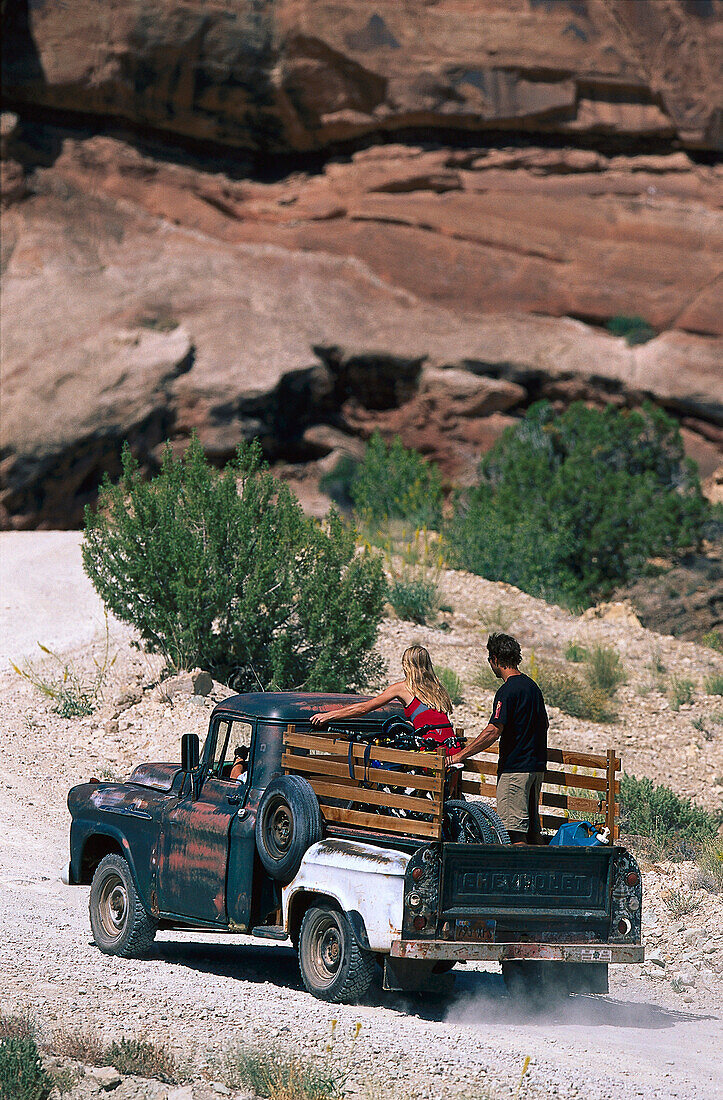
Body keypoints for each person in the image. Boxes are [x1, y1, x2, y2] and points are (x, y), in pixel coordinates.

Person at [449, 632, 548, 844]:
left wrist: (460, 755)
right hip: (536, 768)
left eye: (489, 660)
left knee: (514, 833)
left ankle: (520, 877)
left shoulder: (507, 691)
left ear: (495, 659)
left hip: (515, 770)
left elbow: (493, 731)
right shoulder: (533, 688)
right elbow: (544, 724)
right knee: (532, 832)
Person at [310, 645, 461, 757]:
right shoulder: (438, 688)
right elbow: (432, 718)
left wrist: (329, 715)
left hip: (430, 750)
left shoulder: (403, 688)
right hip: (452, 748)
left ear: (405, 665)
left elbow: (364, 708)